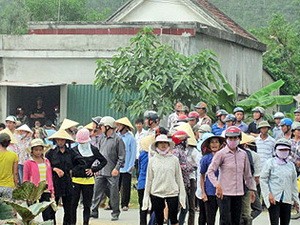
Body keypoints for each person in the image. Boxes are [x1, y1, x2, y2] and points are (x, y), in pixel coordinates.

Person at [207, 126, 256, 225]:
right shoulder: (221, 154)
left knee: (236, 219)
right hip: (224, 193)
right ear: (226, 139)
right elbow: (210, 171)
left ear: (239, 139)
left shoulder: (243, 154)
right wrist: (217, 185)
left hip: (238, 193)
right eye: (230, 138)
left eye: (235, 138)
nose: (233, 140)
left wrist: (252, 189)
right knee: (225, 220)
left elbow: (247, 174)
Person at [142, 134, 186, 225]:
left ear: (168, 145)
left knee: (173, 218)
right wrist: (146, 197)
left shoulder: (174, 160)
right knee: (159, 219)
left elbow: (179, 178)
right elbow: (149, 179)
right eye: (160, 143)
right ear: (156, 145)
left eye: (165, 143)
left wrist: (182, 196)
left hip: (172, 191)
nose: (163, 145)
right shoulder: (152, 160)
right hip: (157, 192)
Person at [46, 129, 86, 225]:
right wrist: (54, 169)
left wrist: (72, 171)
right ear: (55, 140)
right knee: (52, 209)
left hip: (67, 182)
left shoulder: (71, 152)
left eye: (62, 140)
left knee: (69, 209)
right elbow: (46, 166)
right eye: (58, 140)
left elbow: (82, 163)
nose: (60, 142)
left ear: (66, 141)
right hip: (54, 183)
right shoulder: (51, 153)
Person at [91, 116, 126, 221]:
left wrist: (117, 168)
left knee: (114, 193)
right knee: (96, 191)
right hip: (101, 170)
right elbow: (98, 155)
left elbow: (121, 157)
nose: (100, 128)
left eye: (101, 126)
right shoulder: (101, 139)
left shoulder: (118, 140)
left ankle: (115, 212)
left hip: (112, 171)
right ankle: (94, 211)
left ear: (108, 127)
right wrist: (96, 168)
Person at [70, 128, 107, 225]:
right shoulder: (73, 151)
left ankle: (85, 223)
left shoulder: (94, 150)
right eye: (80, 142)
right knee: (73, 205)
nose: (82, 144)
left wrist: (93, 169)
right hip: (75, 181)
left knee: (87, 205)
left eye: (84, 142)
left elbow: (104, 161)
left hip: (88, 181)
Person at [260, 138, 300, 225]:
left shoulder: (291, 165)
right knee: (274, 222)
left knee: (285, 222)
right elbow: (263, 179)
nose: (283, 151)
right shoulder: (270, 163)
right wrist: (268, 194)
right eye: (281, 149)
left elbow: (293, 184)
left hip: (287, 198)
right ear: (276, 150)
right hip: (274, 198)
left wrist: (296, 200)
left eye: (286, 150)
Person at [23, 138, 55, 222]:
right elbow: (25, 178)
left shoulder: (46, 161)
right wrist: (26, 192)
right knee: (31, 214)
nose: (38, 152)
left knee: (47, 214)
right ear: (32, 151)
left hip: (45, 190)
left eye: (40, 150)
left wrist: (52, 190)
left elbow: (49, 177)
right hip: (33, 191)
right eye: (36, 150)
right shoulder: (28, 163)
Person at [200, 134, 225, 225]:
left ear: (220, 144)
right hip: (210, 192)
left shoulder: (225, 156)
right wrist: (203, 192)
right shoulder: (206, 158)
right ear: (209, 145)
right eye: (212, 142)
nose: (214, 144)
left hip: (224, 191)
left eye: (216, 142)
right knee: (210, 218)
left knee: (225, 218)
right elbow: (202, 176)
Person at [115, 117, 137, 211]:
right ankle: (113, 203)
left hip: (127, 165)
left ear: (124, 126)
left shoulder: (130, 138)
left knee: (126, 186)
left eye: (120, 125)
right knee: (115, 185)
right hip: (118, 165)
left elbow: (133, 152)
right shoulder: (117, 136)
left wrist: (131, 165)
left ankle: (125, 204)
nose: (118, 127)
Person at [137, 134, 155, 225]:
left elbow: (139, 169)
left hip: (142, 182)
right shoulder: (155, 157)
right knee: (154, 206)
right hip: (153, 184)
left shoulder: (142, 155)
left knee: (143, 206)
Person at [0, 133, 18, 199]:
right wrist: (16, 185)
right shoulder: (14, 155)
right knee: (7, 208)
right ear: (9, 143)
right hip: (9, 186)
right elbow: (15, 173)